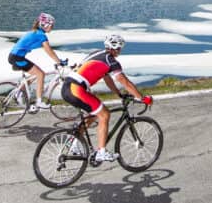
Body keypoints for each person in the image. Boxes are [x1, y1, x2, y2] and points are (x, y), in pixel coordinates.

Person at [61, 34, 152, 162]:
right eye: (120, 48)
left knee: (93, 114)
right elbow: (125, 81)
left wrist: (118, 93)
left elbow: (107, 78)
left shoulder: (97, 54)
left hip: (67, 87)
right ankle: (101, 152)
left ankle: (74, 144)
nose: (120, 51)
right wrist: (142, 98)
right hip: (77, 89)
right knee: (104, 114)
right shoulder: (112, 61)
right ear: (116, 48)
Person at [9, 12, 66, 110]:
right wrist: (58, 62)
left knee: (36, 74)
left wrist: (58, 60)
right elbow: (49, 50)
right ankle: (39, 101)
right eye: (52, 25)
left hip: (16, 57)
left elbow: (47, 50)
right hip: (17, 58)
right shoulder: (41, 35)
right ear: (45, 25)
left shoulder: (37, 32)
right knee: (40, 74)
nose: (52, 27)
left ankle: (19, 92)